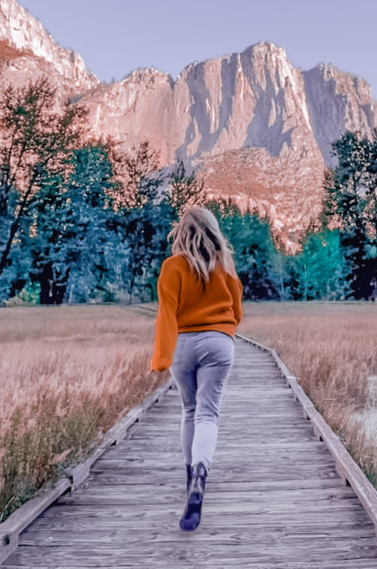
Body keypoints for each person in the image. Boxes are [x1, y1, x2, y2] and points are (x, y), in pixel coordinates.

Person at [150, 206, 243, 531]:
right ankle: (202, 473)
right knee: (208, 413)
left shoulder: (172, 267)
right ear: (212, 230)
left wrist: (161, 357)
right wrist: (223, 328)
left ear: (181, 232)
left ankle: (190, 475)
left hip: (183, 346)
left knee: (190, 410)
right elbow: (237, 308)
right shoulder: (224, 264)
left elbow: (167, 312)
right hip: (219, 342)